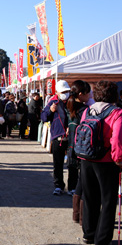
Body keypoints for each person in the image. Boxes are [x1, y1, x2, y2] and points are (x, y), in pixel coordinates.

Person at [77, 81, 122, 244]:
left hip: (86, 158)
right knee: (108, 201)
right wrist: (119, 160)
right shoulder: (117, 113)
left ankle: (89, 233)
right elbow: (116, 139)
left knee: (90, 197)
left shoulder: (88, 110)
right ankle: (102, 239)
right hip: (106, 161)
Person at [41, 80, 78, 196]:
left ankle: (72, 187)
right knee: (58, 163)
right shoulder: (53, 102)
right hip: (58, 137)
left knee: (72, 163)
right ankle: (58, 186)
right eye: (62, 91)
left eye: (67, 91)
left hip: (72, 137)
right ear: (57, 92)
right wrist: (51, 111)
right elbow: (43, 117)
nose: (65, 93)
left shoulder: (74, 101)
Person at [66, 80, 91, 223]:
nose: (90, 95)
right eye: (88, 93)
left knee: (80, 183)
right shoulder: (84, 110)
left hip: (73, 148)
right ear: (81, 94)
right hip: (83, 149)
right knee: (84, 183)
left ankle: (77, 215)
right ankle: (83, 217)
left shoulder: (70, 107)